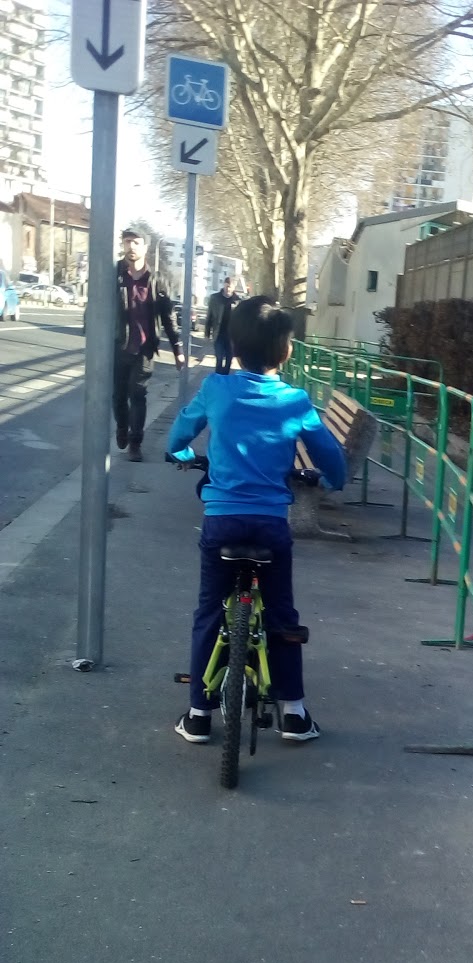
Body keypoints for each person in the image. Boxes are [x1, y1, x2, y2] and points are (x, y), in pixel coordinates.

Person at [166, 295, 347, 746]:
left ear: (232, 345)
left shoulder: (216, 388)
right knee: (282, 613)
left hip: (221, 523)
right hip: (270, 526)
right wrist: (331, 481)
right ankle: (294, 714)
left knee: (209, 610)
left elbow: (179, 436)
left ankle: (198, 715)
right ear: (286, 351)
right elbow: (330, 456)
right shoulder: (295, 400)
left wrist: (185, 455)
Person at [113, 228, 183, 462]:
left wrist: (177, 349)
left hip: (144, 349)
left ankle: (135, 443)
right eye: (127, 242)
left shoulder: (157, 279)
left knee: (138, 395)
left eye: (136, 242)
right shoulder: (115, 274)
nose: (131, 246)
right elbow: (98, 303)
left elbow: (168, 316)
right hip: (118, 346)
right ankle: (122, 427)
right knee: (118, 396)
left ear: (145, 247)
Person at [204, 276, 238, 373]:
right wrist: (207, 333)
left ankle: (225, 377)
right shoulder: (215, 298)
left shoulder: (237, 301)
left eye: (230, 287)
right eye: (226, 286)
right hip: (218, 334)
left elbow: (241, 321)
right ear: (223, 285)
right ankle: (218, 377)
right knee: (219, 358)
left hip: (231, 336)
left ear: (233, 288)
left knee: (229, 359)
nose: (228, 289)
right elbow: (209, 316)